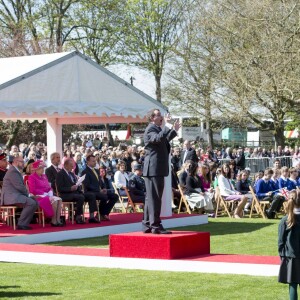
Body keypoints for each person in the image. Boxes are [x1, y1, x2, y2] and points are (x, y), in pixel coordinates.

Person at [142, 109, 180, 234]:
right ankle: (155, 226)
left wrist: (173, 130)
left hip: (156, 168)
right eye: (158, 115)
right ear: (152, 118)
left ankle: (147, 224)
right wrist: (167, 126)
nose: (161, 117)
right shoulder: (150, 129)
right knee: (155, 198)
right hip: (154, 168)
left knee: (151, 198)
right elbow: (158, 139)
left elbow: (164, 140)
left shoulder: (157, 129)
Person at [0, 157, 38, 230]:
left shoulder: (15, 171)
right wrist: (29, 194)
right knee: (31, 202)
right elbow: (19, 186)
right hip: (10, 196)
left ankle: (25, 223)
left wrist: (28, 195)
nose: (23, 163)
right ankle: (21, 224)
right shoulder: (12, 171)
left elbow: (20, 187)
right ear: (16, 162)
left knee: (35, 202)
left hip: (16, 195)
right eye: (22, 162)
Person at [56, 158, 95, 224]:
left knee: (91, 195)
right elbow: (60, 188)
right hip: (65, 195)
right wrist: (70, 188)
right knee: (80, 197)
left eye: (73, 166)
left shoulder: (71, 174)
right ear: (66, 165)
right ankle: (78, 216)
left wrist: (78, 185)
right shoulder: (60, 174)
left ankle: (92, 217)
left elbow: (75, 183)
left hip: (75, 193)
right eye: (71, 166)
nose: (73, 168)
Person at [278, 189, 300, 300]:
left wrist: (281, 255)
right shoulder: (286, 220)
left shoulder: (285, 220)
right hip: (292, 256)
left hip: (291, 257)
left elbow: (281, 242)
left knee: (293, 284)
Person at [28, 160, 63, 227]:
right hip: (38, 196)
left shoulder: (44, 176)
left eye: (43, 168)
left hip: (47, 195)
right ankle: (53, 220)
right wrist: (44, 193)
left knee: (59, 199)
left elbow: (48, 186)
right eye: (41, 168)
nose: (42, 170)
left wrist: (50, 191)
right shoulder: (32, 177)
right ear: (36, 169)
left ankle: (58, 220)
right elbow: (33, 190)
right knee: (54, 201)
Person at [82, 155, 116, 221]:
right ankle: (100, 214)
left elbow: (100, 182)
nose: (95, 162)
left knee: (115, 196)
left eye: (95, 161)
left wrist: (104, 188)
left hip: (98, 191)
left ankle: (103, 213)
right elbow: (87, 185)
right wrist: (99, 190)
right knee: (104, 197)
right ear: (88, 162)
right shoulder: (85, 171)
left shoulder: (97, 171)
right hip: (90, 191)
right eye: (93, 161)